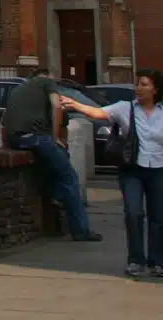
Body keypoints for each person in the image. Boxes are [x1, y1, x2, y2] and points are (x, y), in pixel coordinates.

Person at [59, 69, 163, 277]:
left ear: (156, 89)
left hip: (159, 170)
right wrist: (75, 104)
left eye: (144, 84)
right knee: (134, 213)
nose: (138, 88)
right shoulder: (125, 108)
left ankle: (157, 262)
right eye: (137, 84)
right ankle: (136, 261)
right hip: (132, 170)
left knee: (158, 217)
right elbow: (98, 113)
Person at [2, 70, 102, 242]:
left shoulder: (19, 89)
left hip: (16, 140)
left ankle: (56, 196)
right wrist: (55, 136)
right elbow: (57, 106)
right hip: (37, 138)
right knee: (69, 178)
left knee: (52, 165)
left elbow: (4, 119)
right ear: (47, 77)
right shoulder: (47, 82)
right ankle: (80, 230)